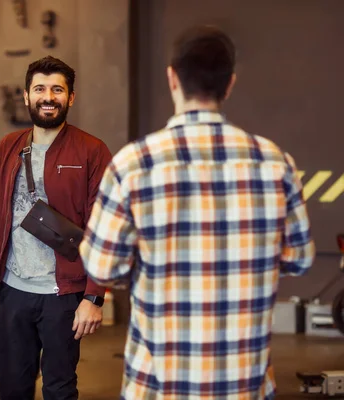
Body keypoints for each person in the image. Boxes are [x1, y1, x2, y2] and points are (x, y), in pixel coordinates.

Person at [79, 25, 315, 400]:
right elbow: (299, 259)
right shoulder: (275, 164)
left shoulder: (133, 165)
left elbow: (102, 267)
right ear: (230, 84)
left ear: (172, 77)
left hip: (157, 385)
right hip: (246, 383)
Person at [0, 55, 112, 400]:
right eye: (40, 89)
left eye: (57, 90)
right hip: (13, 290)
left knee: (59, 388)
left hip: (63, 295)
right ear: (26, 96)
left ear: (70, 97)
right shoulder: (9, 147)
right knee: (12, 386)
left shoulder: (91, 151)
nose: (48, 97)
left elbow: (104, 229)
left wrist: (93, 296)